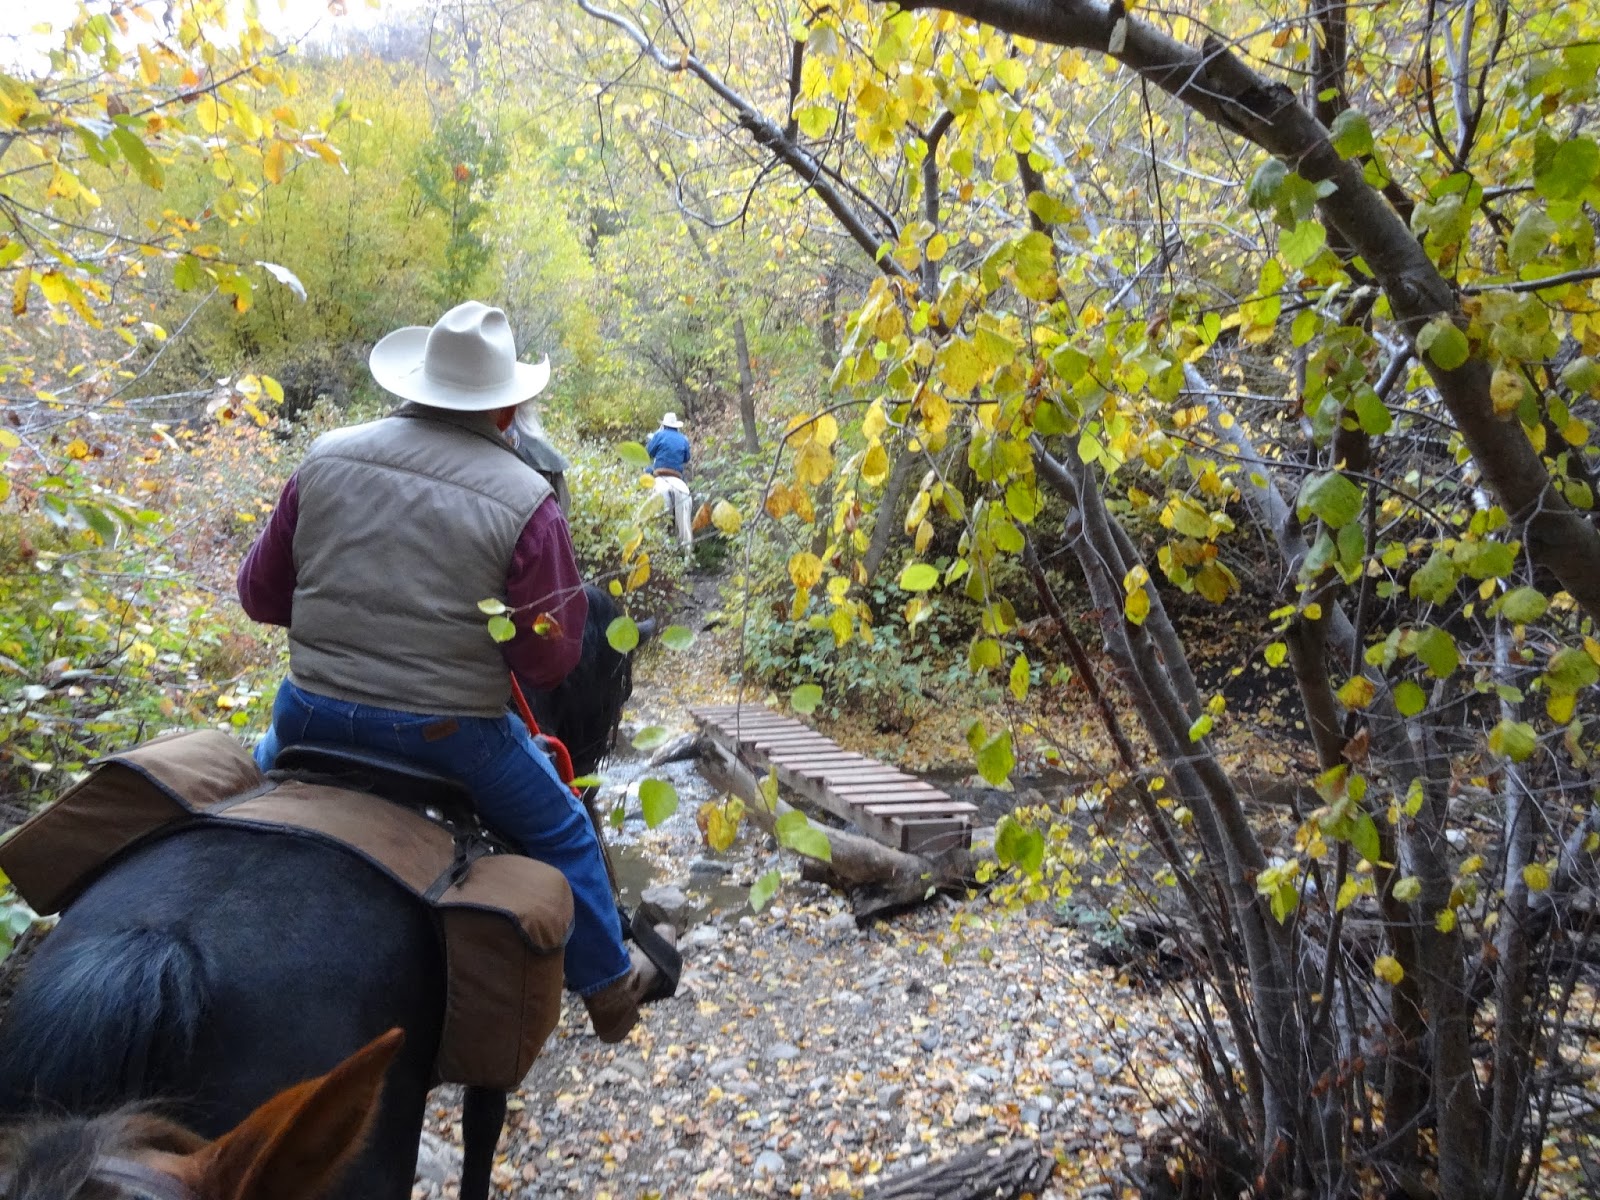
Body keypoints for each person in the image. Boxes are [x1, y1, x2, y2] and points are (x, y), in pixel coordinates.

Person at [237, 301, 668, 1043]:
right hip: (449, 735)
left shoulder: (324, 457)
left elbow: (260, 597)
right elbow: (551, 659)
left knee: (235, 796)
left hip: (306, 715)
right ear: (505, 409)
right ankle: (609, 989)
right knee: (565, 831)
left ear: (414, 383)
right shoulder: (526, 499)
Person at [645, 412, 693, 550]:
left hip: (660, 475)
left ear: (664, 425)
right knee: (685, 523)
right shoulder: (683, 439)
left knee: (656, 521)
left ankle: (658, 548)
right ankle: (687, 550)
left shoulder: (659, 435)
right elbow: (686, 458)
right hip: (677, 477)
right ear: (676, 426)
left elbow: (649, 452)